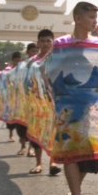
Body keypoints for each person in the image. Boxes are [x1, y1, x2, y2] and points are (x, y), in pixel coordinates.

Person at [54, 2, 98, 195]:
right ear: (78, 19)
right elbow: (51, 71)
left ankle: (74, 190)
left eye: (95, 18)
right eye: (90, 17)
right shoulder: (61, 44)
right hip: (66, 108)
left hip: (93, 107)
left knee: (89, 154)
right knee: (70, 150)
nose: (94, 21)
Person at [24, 29, 60, 175]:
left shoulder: (58, 58)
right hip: (36, 103)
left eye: (48, 41)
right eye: (42, 41)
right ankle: (39, 163)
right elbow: (25, 82)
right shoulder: (30, 63)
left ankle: (53, 162)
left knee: (55, 133)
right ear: (38, 43)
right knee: (37, 132)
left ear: (53, 42)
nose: (45, 44)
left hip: (55, 102)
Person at [4, 51, 22, 143]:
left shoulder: (23, 69)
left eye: (19, 60)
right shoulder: (8, 70)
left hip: (21, 97)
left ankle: (22, 136)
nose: (17, 62)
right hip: (10, 96)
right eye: (16, 60)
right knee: (10, 115)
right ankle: (11, 134)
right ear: (12, 60)